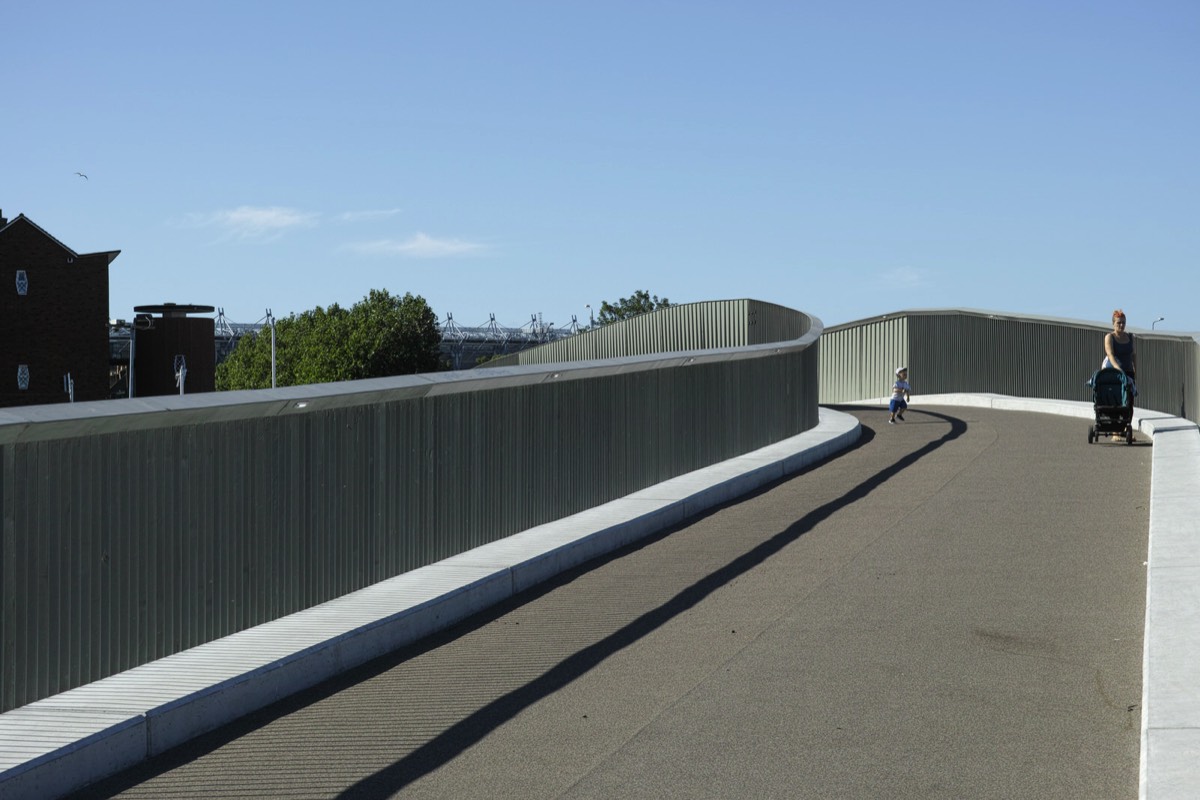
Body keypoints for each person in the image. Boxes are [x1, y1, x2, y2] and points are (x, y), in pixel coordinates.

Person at [1103, 309, 1137, 382]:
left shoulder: (1130, 337)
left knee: (1130, 392)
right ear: (1113, 323)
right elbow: (1110, 355)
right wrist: (1119, 370)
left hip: (1128, 371)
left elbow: (1133, 354)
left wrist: (1135, 369)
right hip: (1113, 372)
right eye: (1119, 323)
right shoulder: (1110, 337)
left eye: (1123, 323)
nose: (1121, 325)